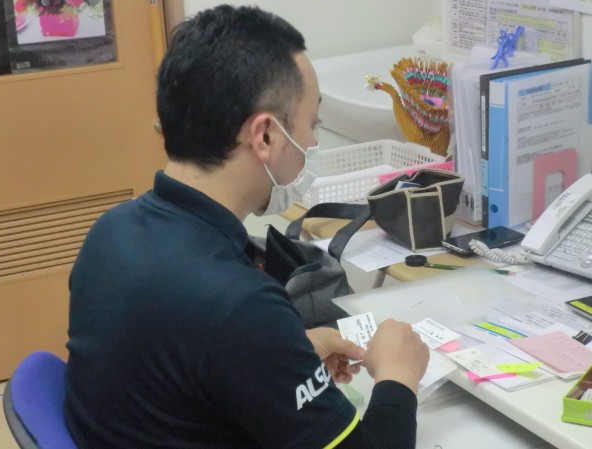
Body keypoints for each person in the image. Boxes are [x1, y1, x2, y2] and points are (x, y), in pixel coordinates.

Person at [64, 5, 429, 449]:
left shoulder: (111, 231)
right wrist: (398, 377)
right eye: (311, 125)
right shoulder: (240, 307)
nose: (312, 142)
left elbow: (182, 356)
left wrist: (282, 355)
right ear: (265, 136)